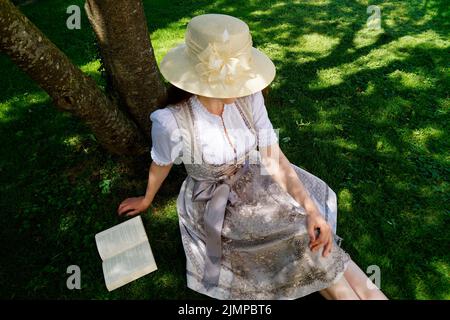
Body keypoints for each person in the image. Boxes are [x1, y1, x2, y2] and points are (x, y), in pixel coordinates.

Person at [118, 13, 388, 300]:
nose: (241, 87)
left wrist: (311, 209)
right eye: (232, 81)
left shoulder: (249, 97)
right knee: (301, 239)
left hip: (256, 181)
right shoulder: (170, 122)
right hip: (213, 203)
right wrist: (147, 199)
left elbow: (273, 158)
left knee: (308, 229)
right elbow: (162, 163)